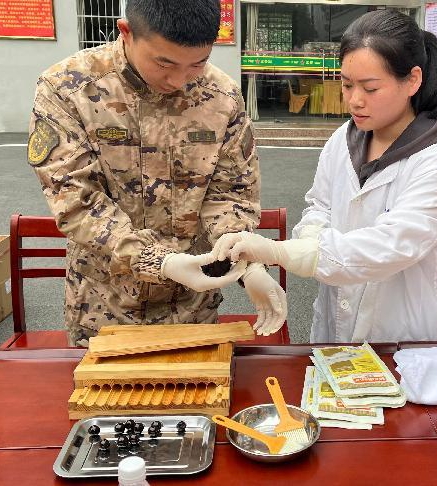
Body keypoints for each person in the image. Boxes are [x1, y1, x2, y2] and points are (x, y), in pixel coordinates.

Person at [27, 0, 286, 346]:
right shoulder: (68, 89)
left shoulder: (222, 97)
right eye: (164, 63)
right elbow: (77, 201)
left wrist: (246, 262)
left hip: (193, 306)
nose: (179, 80)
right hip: (105, 305)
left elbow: (230, 193)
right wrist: (157, 261)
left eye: (198, 63)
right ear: (127, 32)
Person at [213, 10, 437, 343]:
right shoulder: (344, 139)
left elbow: (393, 244)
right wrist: (311, 237)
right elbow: (320, 205)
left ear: (412, 81)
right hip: (336, 325)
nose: (355, 100)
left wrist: (281, 252)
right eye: (346, 85)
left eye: (370, 88)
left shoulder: (436, 158)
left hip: (403, 334)